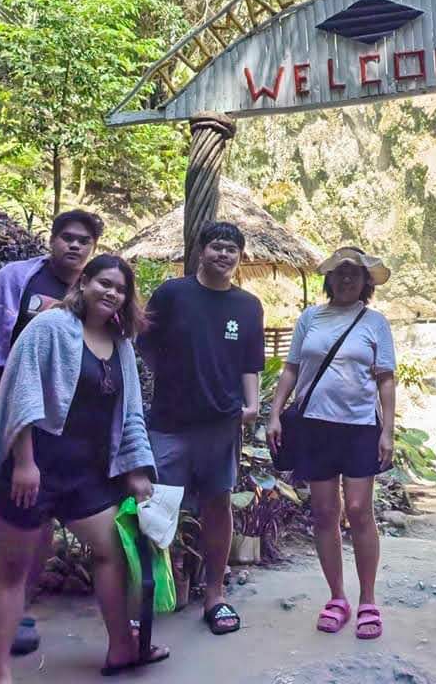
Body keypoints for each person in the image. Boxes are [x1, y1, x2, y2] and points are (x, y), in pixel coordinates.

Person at [0, 254, 168, 682]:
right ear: (83, 285)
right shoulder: (48, 327)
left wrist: (137, 471)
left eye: (120, 288)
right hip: (33, 468)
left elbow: (129, 410)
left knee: (113, 552)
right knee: (11, 571)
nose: (111, 293)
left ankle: (122, 647)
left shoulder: (121, 343)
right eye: (104, 283)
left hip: (89, 472)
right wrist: (24, 462)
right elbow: (21, 394)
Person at [0, 208, 104, 655]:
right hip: (0, 413)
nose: (74, 246)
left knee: (37, 519)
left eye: (83, 241)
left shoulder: (92, 291)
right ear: (51, 240)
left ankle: (20, 606)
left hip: (56, 426)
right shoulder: (18, 279)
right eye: (67, 237)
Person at [138, 221, 264, 636]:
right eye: (217, 247)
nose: (224, 255)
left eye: (232, 249)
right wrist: (173, 381)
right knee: (154, 509)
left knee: (217, 506)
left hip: (220, 425)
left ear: (239, 257)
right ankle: (148, 595)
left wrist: (251, 406)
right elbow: (147, 345)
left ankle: (214, 595)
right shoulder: (173, 294)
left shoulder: (248, 305)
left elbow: (251, 363)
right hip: (169, 423)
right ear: (200, 251)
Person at [267, 246, 396, 640]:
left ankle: (368, 600)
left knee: (359, 510)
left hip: (358, 426)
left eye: (354, 274)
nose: (346, 279)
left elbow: (386, 379)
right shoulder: (311, 318)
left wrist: (387, 430)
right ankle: (337, 598)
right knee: (324, 512)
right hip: (314, 426)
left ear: (365, 282)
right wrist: (274, 413)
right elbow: (291, 369)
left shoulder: (375, 323)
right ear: (329, 279)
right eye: (339, 273)